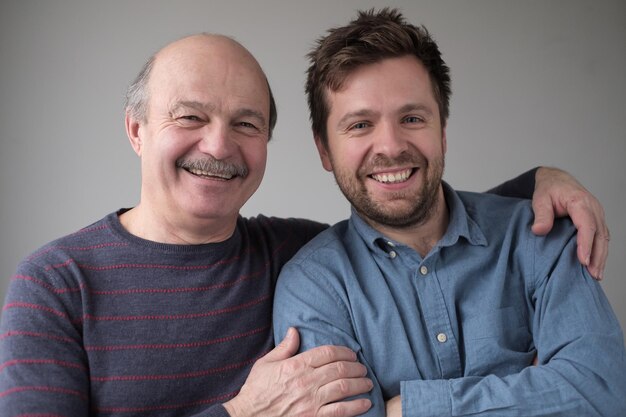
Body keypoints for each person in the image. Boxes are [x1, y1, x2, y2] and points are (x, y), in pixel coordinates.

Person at [0, 33, 610, 417]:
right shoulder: (56, 283)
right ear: (136, 130)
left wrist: (538, 183)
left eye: (245, 123)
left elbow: (412, 212)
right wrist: (240, 415)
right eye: (189, 116)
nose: (219, 144)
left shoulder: (290, 247)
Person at [273, 8, 626, 417]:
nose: (390, 146)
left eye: (412, 118)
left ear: (441, 132)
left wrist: (411, 409)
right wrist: (535, 393)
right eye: (360, 125)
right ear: (324, 150)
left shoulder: (539, 235)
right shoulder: (313, 286)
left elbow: (603, 391)